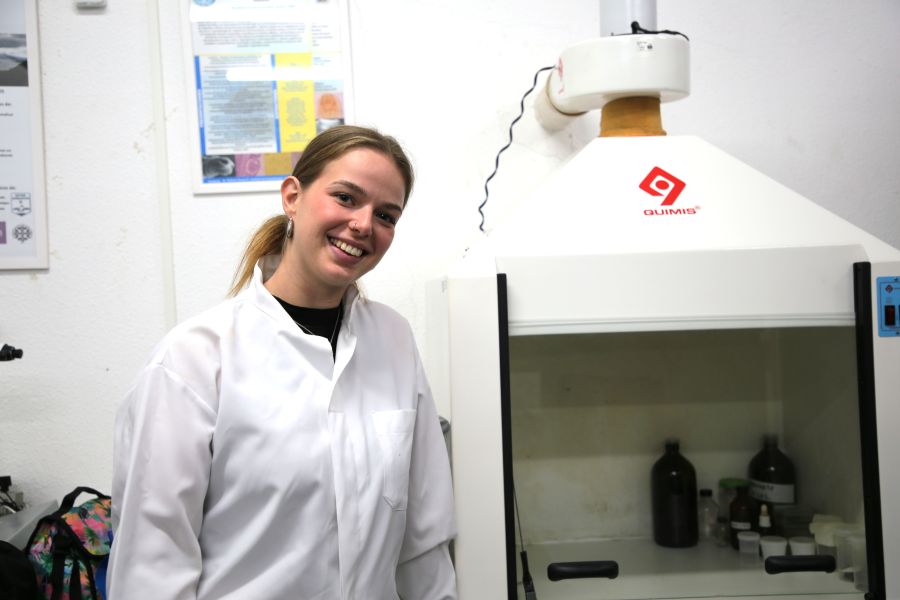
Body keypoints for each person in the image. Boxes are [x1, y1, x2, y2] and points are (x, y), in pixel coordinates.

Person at [107, 125, 457, 599]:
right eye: (346, 197)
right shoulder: (194, 357)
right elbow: (153, 562)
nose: (363, 224)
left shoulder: (393, 339)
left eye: (385, 215)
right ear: (293, 196)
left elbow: (424, 539)